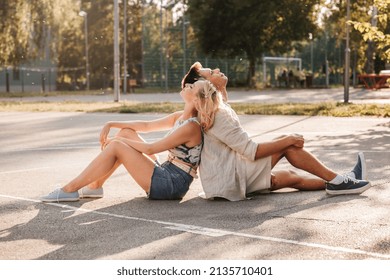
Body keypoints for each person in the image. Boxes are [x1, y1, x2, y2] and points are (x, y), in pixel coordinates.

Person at [181, 61, 371, 201]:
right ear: (205, 87)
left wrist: (222, 89)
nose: (217, 70)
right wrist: (288, 139)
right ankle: (341, 181)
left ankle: (344, 180)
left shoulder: (214, 109)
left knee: (291, 177)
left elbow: (225, 110)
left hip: (225, 179)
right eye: (211, 72)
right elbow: (251, 151)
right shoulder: (216, 115)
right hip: (231, 179)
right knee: (286, 146)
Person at [40, 80, 222, 202]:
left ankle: (69, 189)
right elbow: (146, 125)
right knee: (126, 133)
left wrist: (116, 143)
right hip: (167, 172)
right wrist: (111, 123)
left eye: (192, 87)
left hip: (172, 185)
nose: (187, 84)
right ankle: (94, 186)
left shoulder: (192, 126)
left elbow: (150, 148)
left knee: (119, 145)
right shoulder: (179, 117)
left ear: (197, 99)